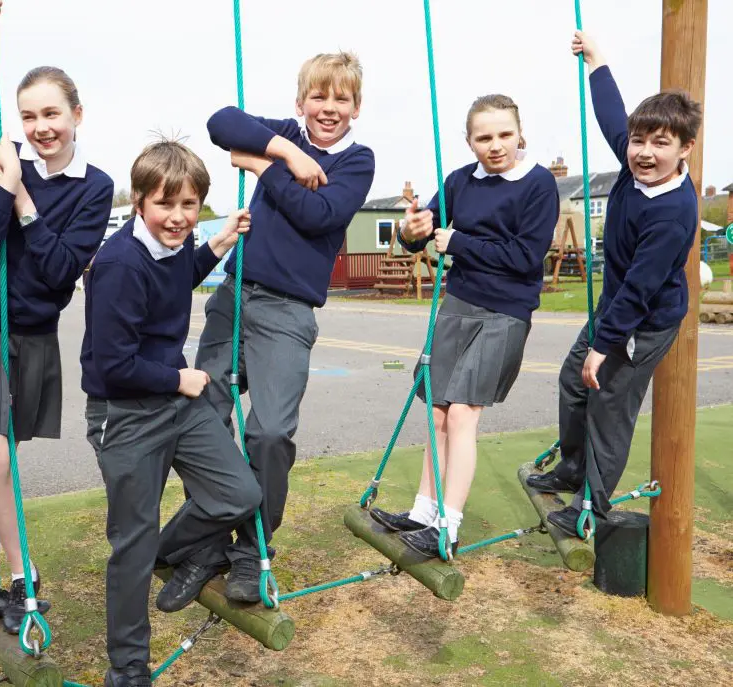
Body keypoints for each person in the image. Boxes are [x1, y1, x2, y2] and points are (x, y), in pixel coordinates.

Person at [81, 140, 262, 687]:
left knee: (239, 494)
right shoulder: (117, 264)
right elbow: (114, 365)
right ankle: (128, 668)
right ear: (139, 201)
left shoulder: (174, 243)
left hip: (173, 402)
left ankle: (171, 549)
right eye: (166, 205)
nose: (179, 218)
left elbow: (177, 275)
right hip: (127, 411)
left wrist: (218, 244)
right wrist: (179, 378)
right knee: (129, 546)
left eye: (189, 205)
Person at [195, 52, 375, 601]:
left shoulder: (357, 161)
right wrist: (287, 151)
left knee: (269, 432)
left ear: (355, 108)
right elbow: (221, 123)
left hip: (287, 310)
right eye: (318, 97)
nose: (328, 108)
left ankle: (253, 549)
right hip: (235, 294)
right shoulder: (287, 135)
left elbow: (317, 216)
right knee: (202, 413)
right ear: (301, 103)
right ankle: (206, 533)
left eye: (340, 99)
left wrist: (261, 167)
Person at [0, 64, 113, 633]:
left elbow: (61, 271)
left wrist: (23, 198)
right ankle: (23, 573)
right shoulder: (0, 158)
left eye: (52, 114)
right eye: (29, 116)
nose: (41, 127)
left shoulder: (96, 187)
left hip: (36, 330)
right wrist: (4, 180)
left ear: (76, 116)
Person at [525, 31, 701, 537]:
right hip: (617, 308)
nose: (644, 153)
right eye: (639, 141)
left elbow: (641, 289)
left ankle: (590, 508)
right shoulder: (632, 167)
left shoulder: (672, 211)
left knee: (609, 403)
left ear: (685, 148)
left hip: (645, 320)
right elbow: (609, 113)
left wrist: (604, 346)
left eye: (660, 144)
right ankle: (572, 467)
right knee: (571, 382)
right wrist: (596, 61)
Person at [370, 93, 560, 559]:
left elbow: (524, 257)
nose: (495, 146)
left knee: (462, 415)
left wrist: (460, 242)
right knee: (436, 411)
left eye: (503, 135)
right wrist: (412, 232)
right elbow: (420, 237)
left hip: (505, 311)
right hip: (459, 303)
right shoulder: (460, 181)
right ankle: (422, 512)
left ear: (520, 134)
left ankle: (448, 528)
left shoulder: (537, 185)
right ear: (470, 141)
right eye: (483, 137)